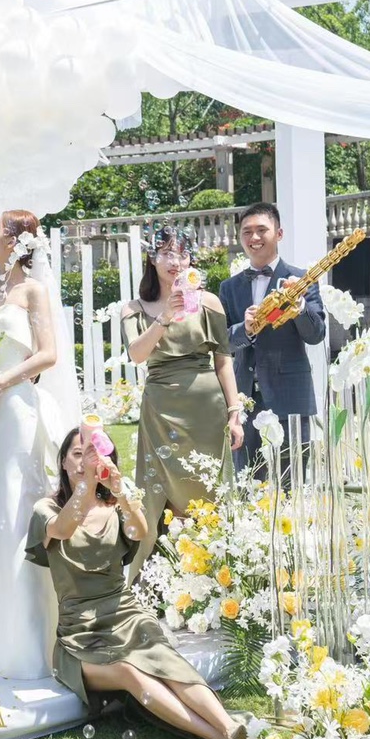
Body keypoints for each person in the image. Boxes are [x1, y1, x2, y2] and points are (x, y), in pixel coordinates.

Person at [26, 428, 251, 739]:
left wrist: (119, 490)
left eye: (92, 455)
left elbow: (140, 531)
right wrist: (88, 483)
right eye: (77, 454)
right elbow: (63, 528)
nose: (84, 461)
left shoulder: (115, 507)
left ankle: (229, 729)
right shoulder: (47, 509)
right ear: (62, 462)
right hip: (79, 635)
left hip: (126, 615)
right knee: (130, 671)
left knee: (166, 662)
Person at [0, 210, 80, 679]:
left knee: (15, 511)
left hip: (17, 412)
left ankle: (29, 642)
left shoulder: (33, 291)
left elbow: (48, 354)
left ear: (16, 241)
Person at [120, 228, 244, 580]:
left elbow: (223, 361)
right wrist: (165, 316)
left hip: (207, 411)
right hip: (160, 411)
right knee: (156, 493)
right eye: (166, 253)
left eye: (182, 254)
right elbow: (137, 355)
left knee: (209, 487)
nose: (175, 261)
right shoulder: (134, 308)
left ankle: (218, 575)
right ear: (151, 258)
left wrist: (234, 413)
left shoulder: (209, 302)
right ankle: (155, 580)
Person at [218, 202, 326, 476]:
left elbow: (316, 335)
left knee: (293, 483)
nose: (254, 237)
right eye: (247, 232)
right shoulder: (229, 287)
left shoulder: (301, 280)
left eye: (261, 230)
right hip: (244, 400)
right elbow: (221, 343)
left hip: (290, 398)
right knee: (248, 482)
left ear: (279, 234)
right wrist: (245, 329)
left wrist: (299, 308)